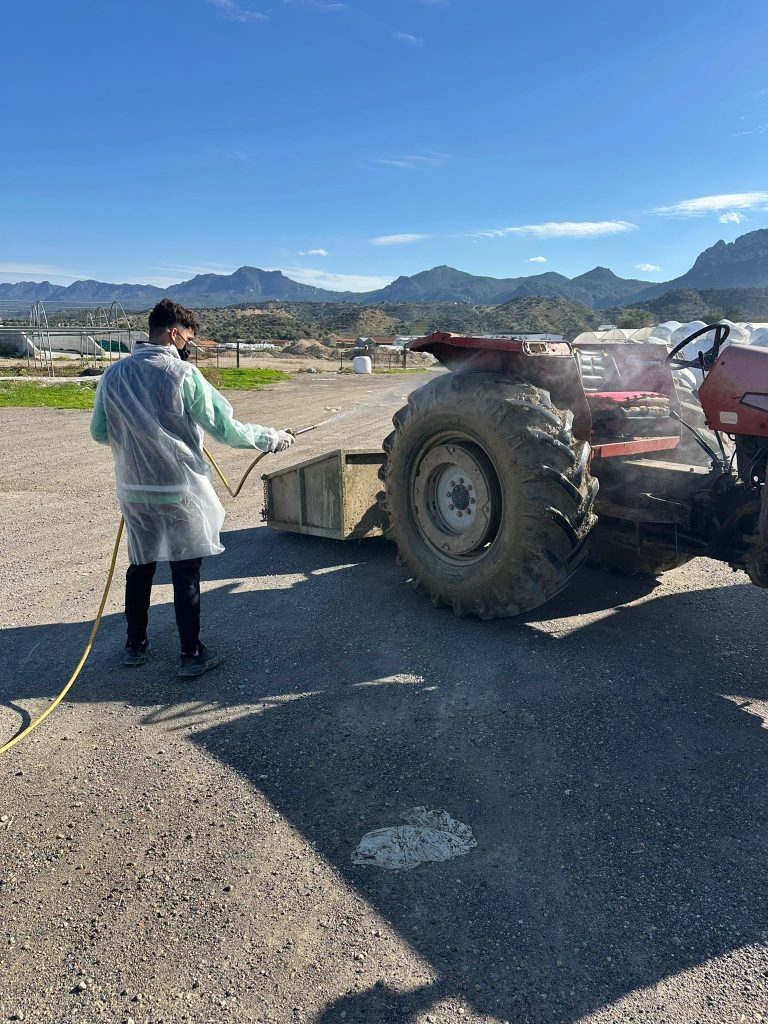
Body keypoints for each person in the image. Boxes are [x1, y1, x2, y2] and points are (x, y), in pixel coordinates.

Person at [90, 298, 295, 677]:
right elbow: (226, 429)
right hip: (178, 490)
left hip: (134, 490)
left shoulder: (113, 376)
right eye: (186, 337)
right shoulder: (183, 375)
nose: (187, 344)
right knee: (185, 570)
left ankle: (134, 646)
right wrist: (271, 437)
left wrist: (140, 444)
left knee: (140, 566)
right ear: (172, 332)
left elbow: (100, 432)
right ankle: (190, 654)